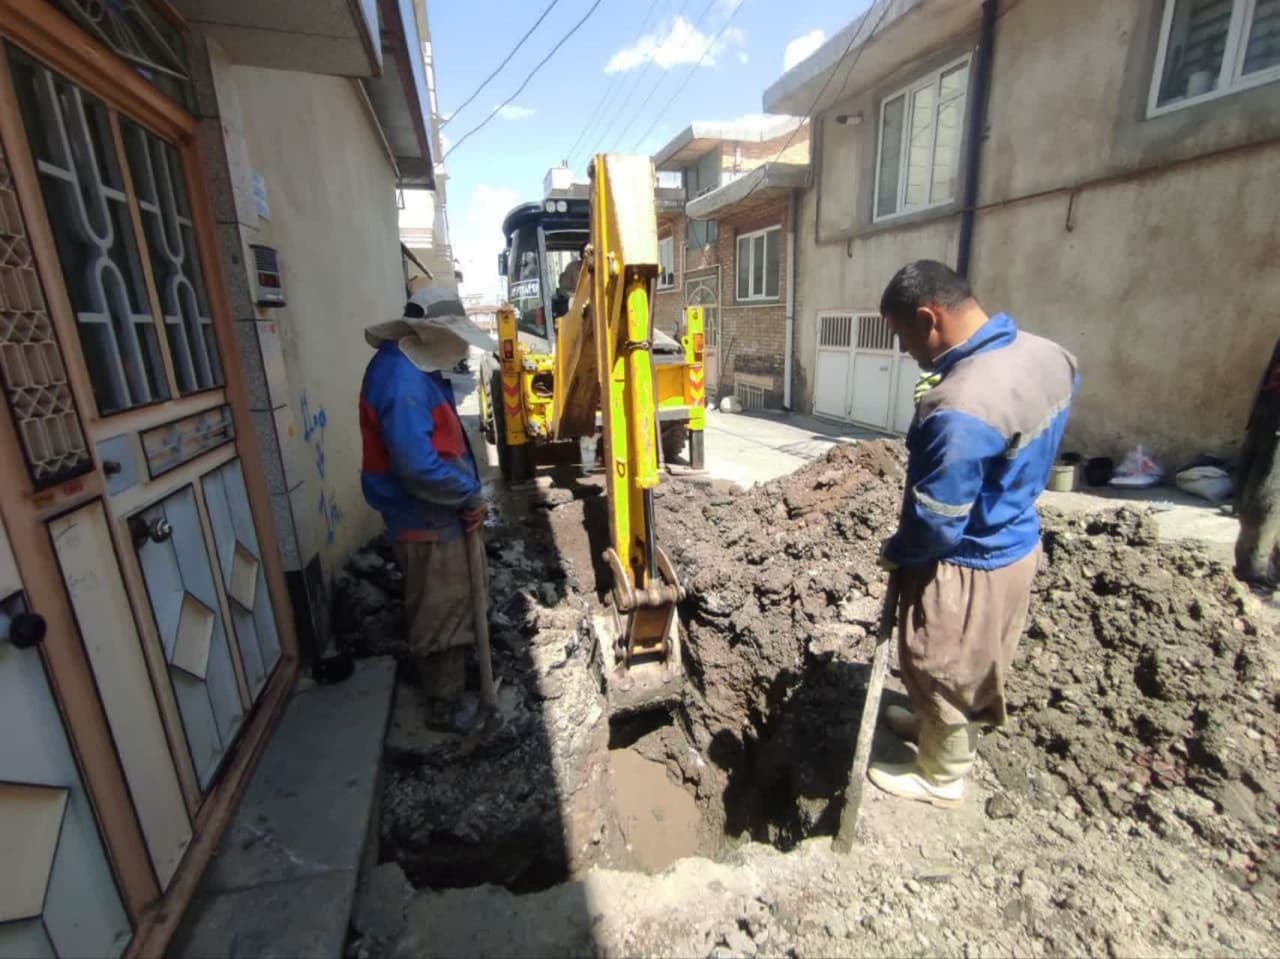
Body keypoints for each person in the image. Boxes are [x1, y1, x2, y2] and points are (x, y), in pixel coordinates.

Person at [871, 260, 1079, 807]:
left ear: (927, 318)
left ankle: (941, 774)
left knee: (938, 662)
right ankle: (931, 727)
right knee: (977, 656)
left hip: (969, 561)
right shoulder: (1046, 355)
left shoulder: (961, 406)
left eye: (902, 336)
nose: (905, 351)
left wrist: (898, 551)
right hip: (1017, 540)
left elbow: (938, 522)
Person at [360, 286, 498, 731]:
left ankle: (462, 676)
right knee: (441, 608)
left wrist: (466, 495)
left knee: (457, 597)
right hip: (425, 516)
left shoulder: (418, 370)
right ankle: (444, 703)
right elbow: (417, 467)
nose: (461, 348)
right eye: (457, 337)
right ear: (431, 333)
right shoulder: (402, 381)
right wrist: (468, 495)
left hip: (441, 510)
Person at [1234, 336, 1280, 586]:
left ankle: (1257, 573)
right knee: (1259, 492)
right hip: (1270, 413)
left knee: (1266, 496)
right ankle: (1258, 569)